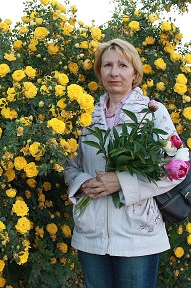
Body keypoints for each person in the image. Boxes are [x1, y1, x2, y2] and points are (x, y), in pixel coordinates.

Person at [64, 38, 183, 288]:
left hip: (137, 234)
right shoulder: (84, 115)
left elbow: (178, 165)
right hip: (91, 233)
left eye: (122, 65)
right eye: (107, 65)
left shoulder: (152, 112)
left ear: (135, 73)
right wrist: (83, 182)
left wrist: (121, 181)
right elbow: (70, 164)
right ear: (99, 72)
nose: (114, 72)